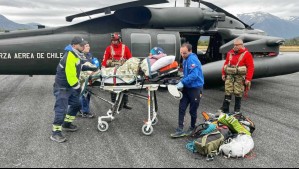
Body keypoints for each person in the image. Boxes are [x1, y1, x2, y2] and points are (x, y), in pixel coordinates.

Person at [51, 36, 98, 143]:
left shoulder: (76, 55)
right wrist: (77, 88)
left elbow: (80, 66)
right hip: (63, 87)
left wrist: (91, 68)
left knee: (77, 105)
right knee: (61, 109)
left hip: (70, 86)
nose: (83, 46)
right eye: (81, 45)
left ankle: (66, 124)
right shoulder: (69, 56)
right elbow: (71, 76)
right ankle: (56, 133)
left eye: (83, 44)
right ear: (74, 46)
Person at [170, 43, 204, 138]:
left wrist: (182, 82)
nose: (182, 55)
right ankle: (180, 129)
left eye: (184, 53)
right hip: (187, 88)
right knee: (182, 108)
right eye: (181, 53)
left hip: (195, 88)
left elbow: (194, 75)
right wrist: (180, 79)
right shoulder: (185, 60)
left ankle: (192, 127)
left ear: (190, 51)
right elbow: (186, 74)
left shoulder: (193, 60)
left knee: (192, 110)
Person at [219, 38, 254, 114]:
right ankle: (225, 110)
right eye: (234, 45)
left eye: (237, 45)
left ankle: (236, 111)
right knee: (228, 92)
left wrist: (248, 79)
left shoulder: (247, 54)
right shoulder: (230, 53)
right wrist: (223, 73)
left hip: (240, 77)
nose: (235, 46)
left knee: (238, 93)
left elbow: (250, 67)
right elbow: (226, 64)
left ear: (241, 45)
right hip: (230, 76)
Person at [101, 32, 133, 110]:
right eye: (113, 40)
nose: (114, 42)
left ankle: (125, 103)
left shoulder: (125, 48)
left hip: (123, 70)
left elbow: (130, 59)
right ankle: (114, 104)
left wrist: (131, 68)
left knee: (125, 86)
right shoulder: (109, 48)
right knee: (113, 87)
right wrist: (103, 67)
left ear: (119, 40)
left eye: (115, 40)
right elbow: (105, 59)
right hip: (113, 70)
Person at [78, 43, 100, 118]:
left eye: (89, 46)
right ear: (83, 47)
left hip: (89, 77)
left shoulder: (90, 55)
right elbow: (81, 67)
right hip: (83, 78)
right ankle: (85, 112)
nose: (89, 47)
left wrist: (95, 68)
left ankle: (81, 109)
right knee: (84, 94)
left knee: (88, 94)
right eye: (87, 46)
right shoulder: (80, 56)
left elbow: (96, 63)